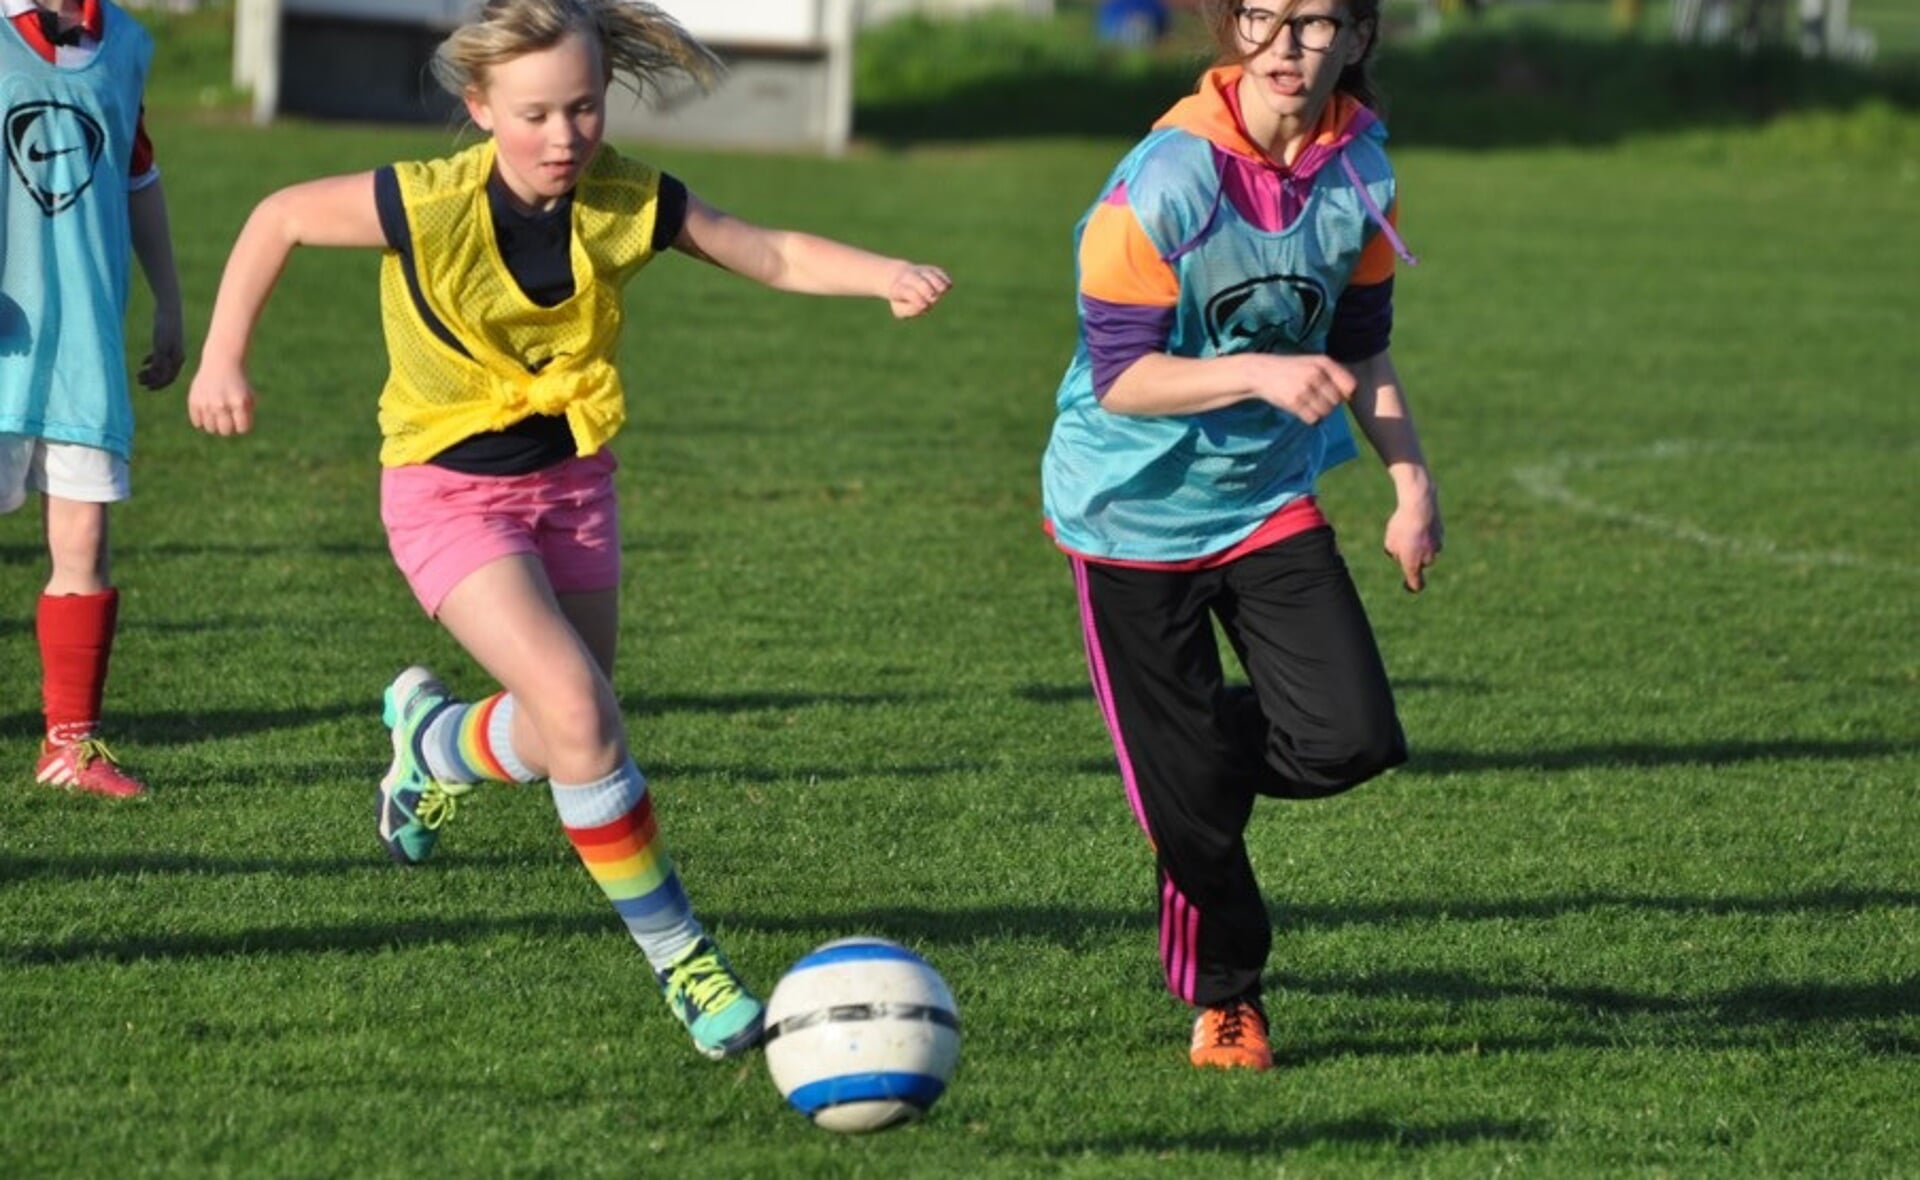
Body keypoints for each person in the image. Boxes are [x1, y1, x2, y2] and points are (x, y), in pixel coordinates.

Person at [185, 0, 950, 1061]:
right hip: (445, 497)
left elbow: (766, 250)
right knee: (586, 718)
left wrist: (882, 275)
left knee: (562, 736)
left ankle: (433, 745)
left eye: (583, 108)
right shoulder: (424, 203)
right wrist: (224, 357)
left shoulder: (627, 199)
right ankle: (684, 959)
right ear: (481, 107)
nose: (564, 137)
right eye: (537, 113)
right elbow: (277, 215)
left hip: (575, 488)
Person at [1039, 0, 1441, 1071]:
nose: (1288, 44)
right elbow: (1124, 378)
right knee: (1197, 829)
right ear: (1232, 29)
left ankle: (1169, 754)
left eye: (1317, 21)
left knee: (1349, 735)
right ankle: (1231, 997)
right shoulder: (1163, 183)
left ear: (1358, 37)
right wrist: (1260, 370)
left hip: (1265, 500)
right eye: (1263, 15)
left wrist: (1411, 480)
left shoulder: (1363, 174)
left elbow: (1364, 348)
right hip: (1128, 515)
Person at [1, 0, 186, 799]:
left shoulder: (129, 45)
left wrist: (170, 300)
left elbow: (138, 174)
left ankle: (68, 747)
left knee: (84, 538)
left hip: (84, 345)